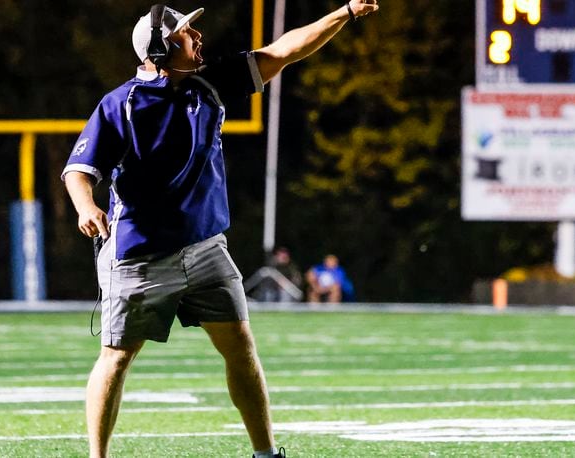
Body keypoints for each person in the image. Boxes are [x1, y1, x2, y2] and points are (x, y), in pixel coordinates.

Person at [61, 2, 379, 457]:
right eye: (188, 33)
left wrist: (343, 13)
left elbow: (284, 50)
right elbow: (79, 170)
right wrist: (85, 205)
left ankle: (266, 454)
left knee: (241, 348)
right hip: (140, 255)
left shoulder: (209, 84)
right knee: (116, 358)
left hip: (206, 249)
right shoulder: (121, 104)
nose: (198, 37)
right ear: (162, 48)